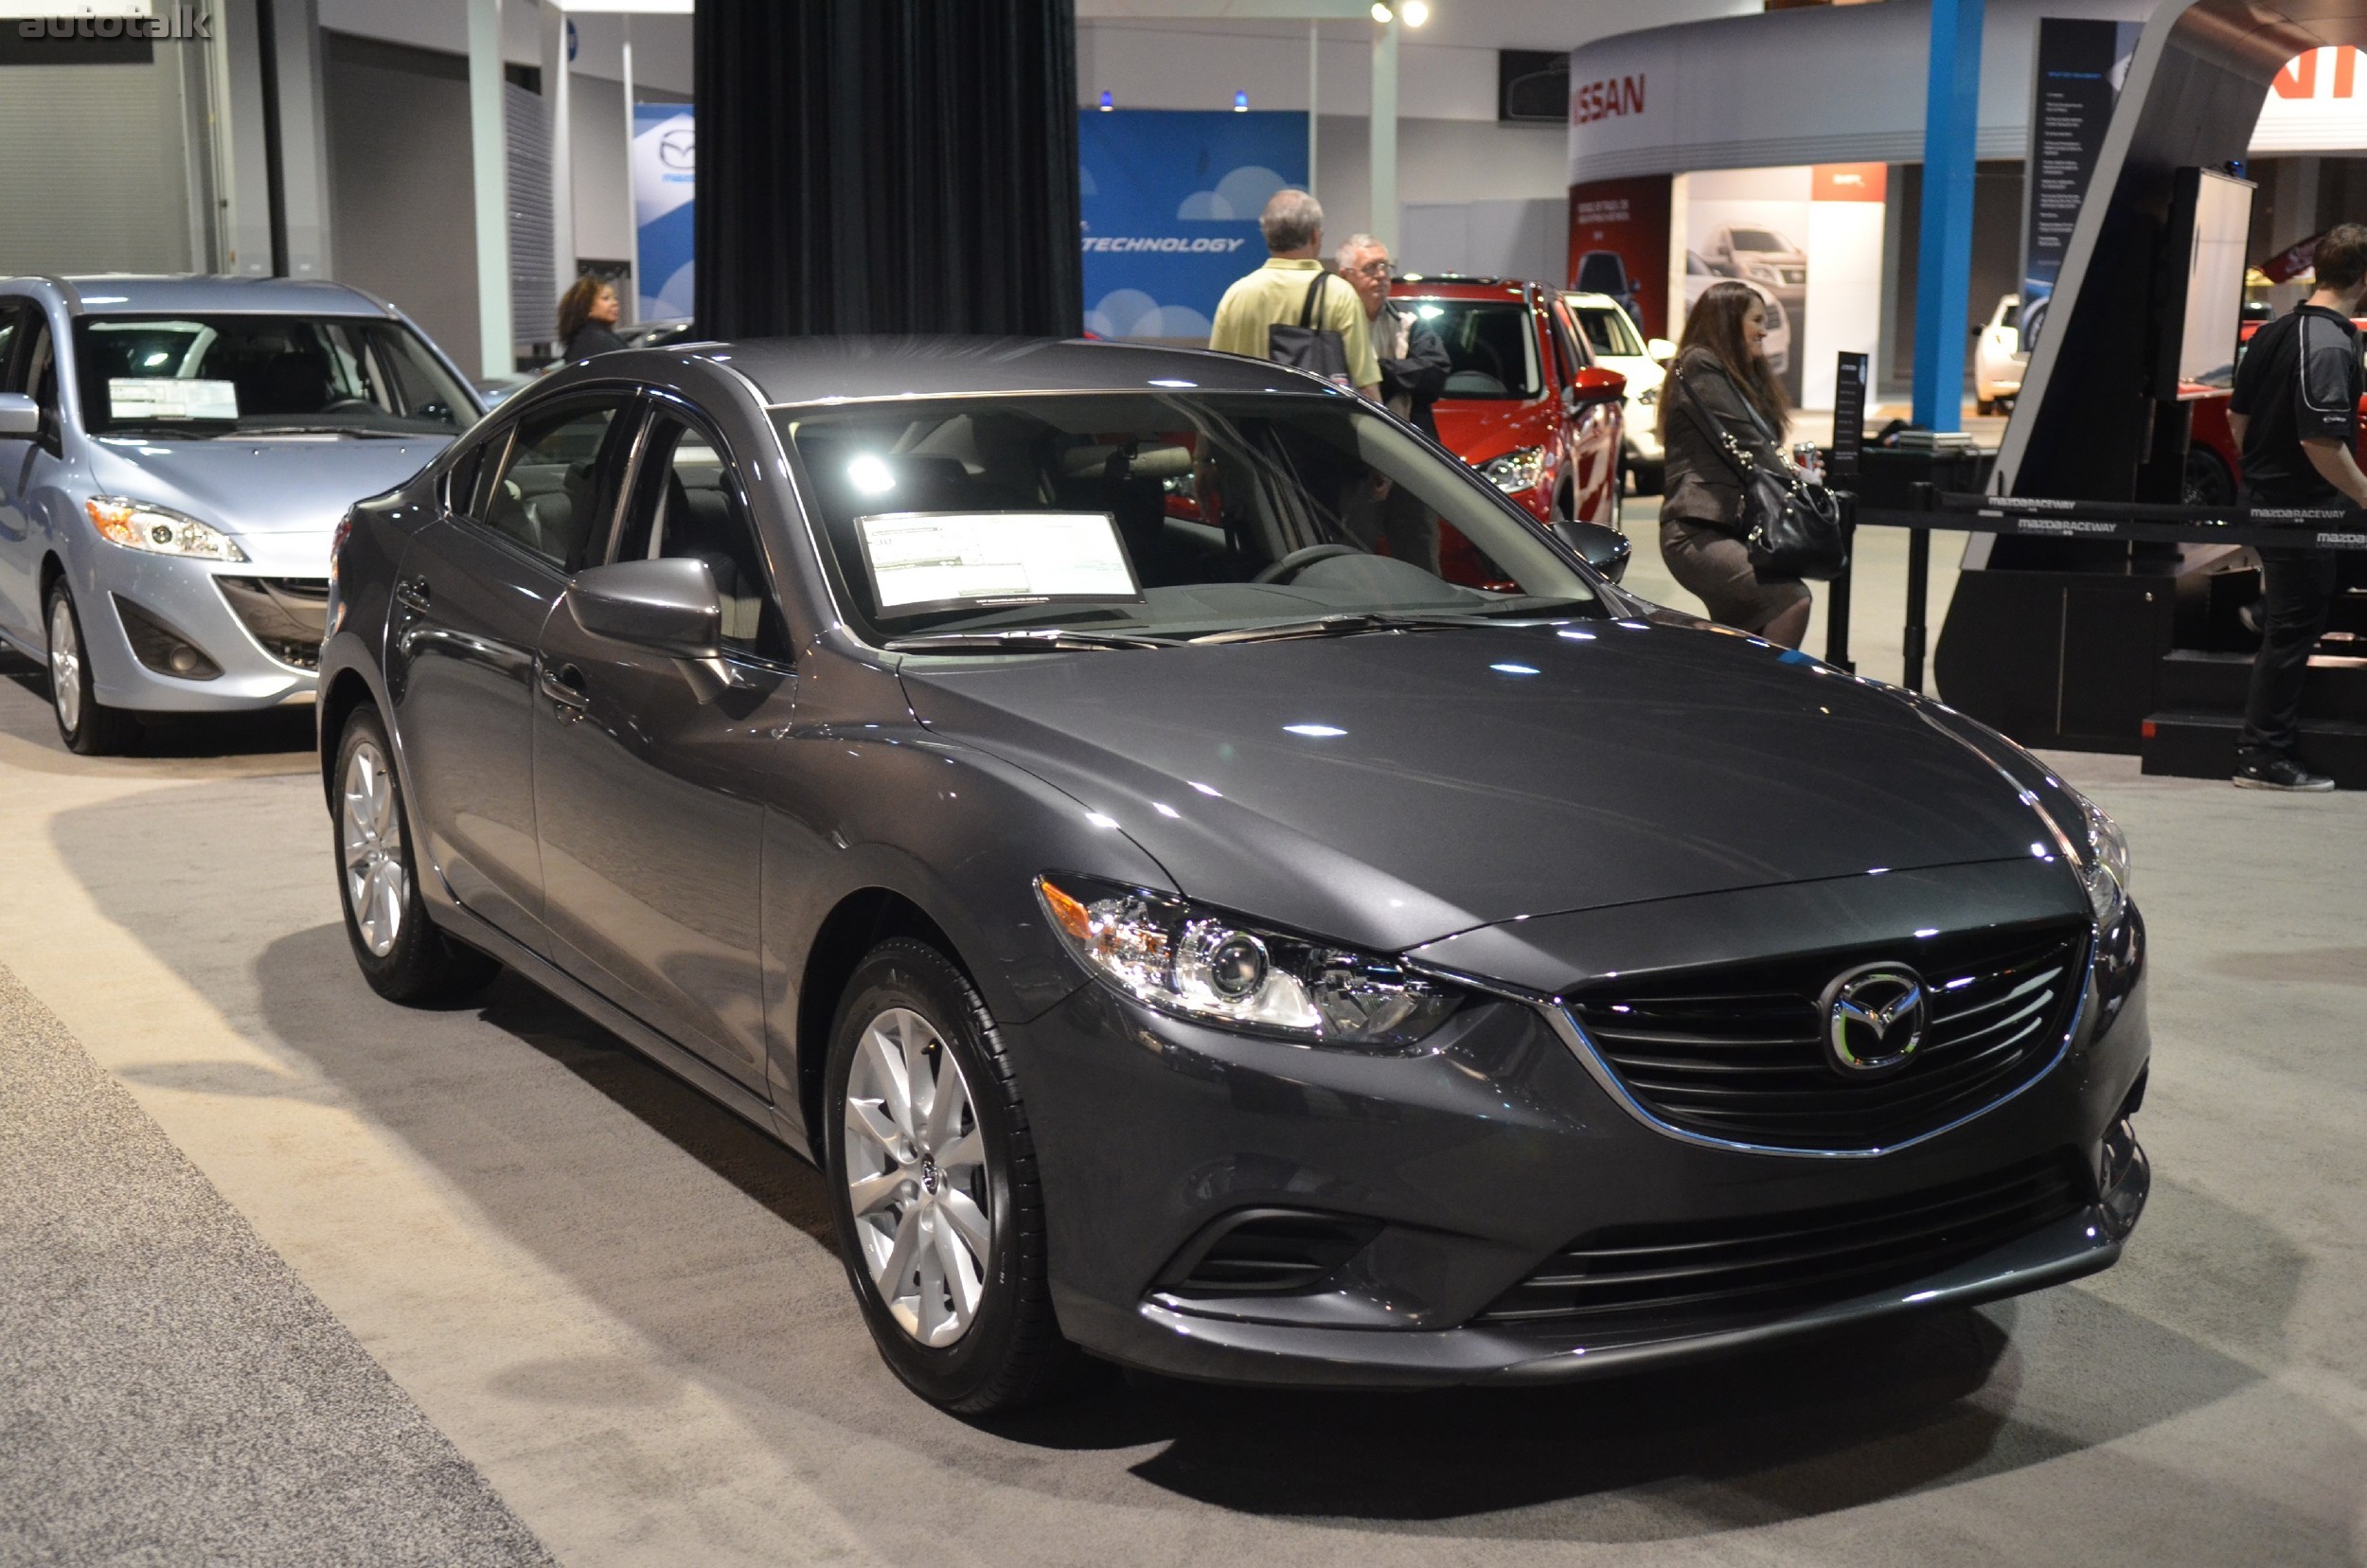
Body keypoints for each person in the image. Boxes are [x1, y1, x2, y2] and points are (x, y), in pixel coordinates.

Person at [2224, 222, 2367, 792]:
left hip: (2271, 502)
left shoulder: (2272, 332)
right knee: (2292, 633)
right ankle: (2262, 755)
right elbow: (2321, 442)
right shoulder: (2330, 342)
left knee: (2309, 598)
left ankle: (2266, 608)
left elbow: (2239, 420)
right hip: (2295, 512)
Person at [1655, 279, 1811, 647]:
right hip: (1696, 531)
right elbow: (1749, 441)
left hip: (1736, 529)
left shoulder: (1741, 378)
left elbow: (1763, 443)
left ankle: (1731, 694)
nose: (1764, 330)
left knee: (1743, 639)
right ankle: (1768, 695)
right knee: (1791, 601)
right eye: (1756, 320)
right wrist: (1798, 478)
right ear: (1726, 321)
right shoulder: (1699, 364)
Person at [1208, 189, 1380, 402]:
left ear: (1267, 235)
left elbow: (1215, 377)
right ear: (1314, 235)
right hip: (1314, 429)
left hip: (1247, 430)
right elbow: (1365, 386)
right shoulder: (1338, 294)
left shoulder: (1237, 295)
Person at [1335, 233, 1450, 436]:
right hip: (1350, 438)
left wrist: (1377, 371)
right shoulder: (1331, 323)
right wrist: (1402, 376)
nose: (1380, 275)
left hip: (1408, 441)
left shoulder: (1407, 317)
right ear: (1345, 276)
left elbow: (1436, 369)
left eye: (1384, 266)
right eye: (1370, 268)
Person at [557, 276, 627, 360]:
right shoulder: (596, 341)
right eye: (606, 298)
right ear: (587, 306)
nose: (615, 303)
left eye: (615, 298)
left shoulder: (588, 337)